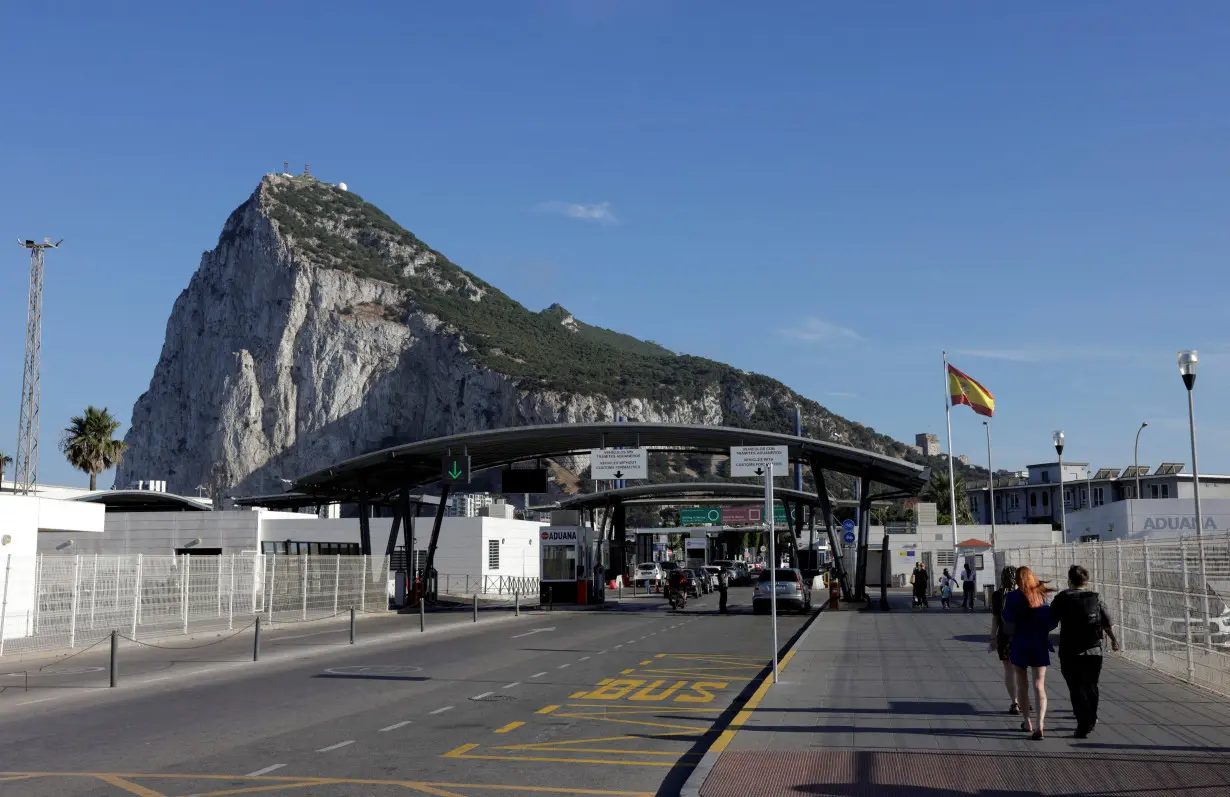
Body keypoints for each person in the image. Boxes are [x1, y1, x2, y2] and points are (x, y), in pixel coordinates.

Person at [1050, 564, 1120, 738]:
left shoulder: (1062, 597)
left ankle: (1083, 723)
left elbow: (1050, 621)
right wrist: (1113, 640)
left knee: (1075, 687)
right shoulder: (1096, 598)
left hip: (1069, 650)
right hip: (1094, 650)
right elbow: (1107, 624)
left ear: (1069, 580)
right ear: (1086, 581)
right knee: (1091, 685)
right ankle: (1092, 717)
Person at [1002, 566, 1054, 740]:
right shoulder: (1040, 595)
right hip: (1039, 643)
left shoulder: (1012, 597)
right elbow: (1049, 621)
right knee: (1039, 685)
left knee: (1022, 685)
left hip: (1020, 643)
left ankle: (1027, 722)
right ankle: (1040, 724)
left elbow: (1008, 625)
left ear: (1017, 580)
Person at [988, 566, 1019, 715]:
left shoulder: (997, 595)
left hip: (1004, 636)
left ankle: (1015, 702)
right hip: (1022, 636)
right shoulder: (1023, 594)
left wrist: (993, 637)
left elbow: (995, 618)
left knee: (1009, 671)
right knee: (1022, 670)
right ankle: (1024, 699)